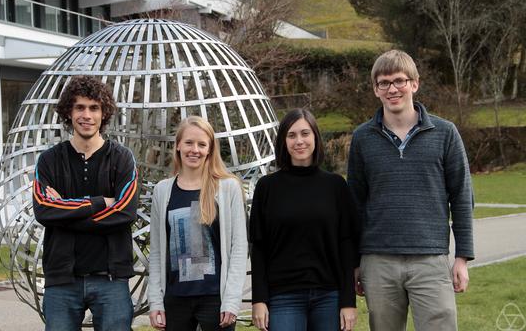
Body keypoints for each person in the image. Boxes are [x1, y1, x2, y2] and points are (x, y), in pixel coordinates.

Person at [347, 49, 474, 331]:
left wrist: (462, 258)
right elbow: (354, 205)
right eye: (384, 83)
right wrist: (355, 262)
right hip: (378, 262)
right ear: (375, 90)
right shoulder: (362, 138)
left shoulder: (445, 133)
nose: (392, 89)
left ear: (414, 84)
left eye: (399, 81)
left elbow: (462, 197)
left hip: (431, 259)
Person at [32, 75, 139, 331]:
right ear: (69, 112)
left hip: (110, 279)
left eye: (94, 108)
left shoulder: (122, 159)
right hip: (62, 280)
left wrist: (66, 214)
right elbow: (44, 210)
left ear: (104, 113)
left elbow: (125, 213)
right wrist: (100, 202)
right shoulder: (49, 160)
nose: (86, 115)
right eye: (79, 107)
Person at [249, 108, 359, 331]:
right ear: (283, 141)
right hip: (282, 297)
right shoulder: (267, 187)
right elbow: (258, 247)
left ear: (315, 138)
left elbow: (347, 245)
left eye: (305, 133)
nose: (299, 141)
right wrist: (259, 300)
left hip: (329, 295)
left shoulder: (336, 186)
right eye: (291, 135)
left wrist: (348, 301)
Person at [147, 116, 248, 331]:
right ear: (177, 146)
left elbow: (239, 248)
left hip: (215, 299)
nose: (195, 150)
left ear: (210, 150)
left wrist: (231, 300)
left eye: (202, 144)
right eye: (189, 143)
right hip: (175, 299)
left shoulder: (228, 188)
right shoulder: (163, 190)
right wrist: (156, 301)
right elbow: (156, 252)